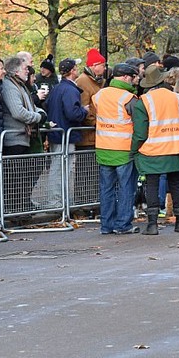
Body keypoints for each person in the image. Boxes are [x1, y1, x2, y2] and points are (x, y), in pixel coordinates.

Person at [133, 64, 179, 234]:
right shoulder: (177, 98)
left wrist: (134, 149)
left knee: (152, 185)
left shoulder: (144, 102)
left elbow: (140, 132)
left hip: (152, 150)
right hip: (174, 147)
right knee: (175, 183)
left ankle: (152, 224)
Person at [91, 63, 140, 235]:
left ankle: (106, 225)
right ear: (126, 77)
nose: (135, 81)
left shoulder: (99, 95)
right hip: (124, 150)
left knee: (106, 189)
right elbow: (139, 123)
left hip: (104, 148)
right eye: (134, 77)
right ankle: (123, 224)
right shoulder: (129, 98)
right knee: (126, 188)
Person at [1, 55, 46, 214]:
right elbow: (18, 112)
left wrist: (39, 114)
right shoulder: (10, 86)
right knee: (14, 180)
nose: (29, 70)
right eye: (25, 67)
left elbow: (32, 106)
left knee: (21, 178)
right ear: (16, 70)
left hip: (23, 138)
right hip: (14, 139)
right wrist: (38, 117)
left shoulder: (20, 85)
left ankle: (19, 210)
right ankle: (13, 211)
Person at [45, 58, 90, 209]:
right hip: (65, 135)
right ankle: (58, 203)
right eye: (76, 67)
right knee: (63, 170)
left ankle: (58, 202)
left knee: (57, 169)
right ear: (72, 71)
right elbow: (72, 113)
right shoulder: (70, 90)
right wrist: (84, 111)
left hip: (57, 134)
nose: (77, 69)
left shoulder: (57, 88)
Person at [74, 48, 106, 208]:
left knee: (93, 173)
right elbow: (85, 108)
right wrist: (95, 124)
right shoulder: (83, 81)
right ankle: (83, 205)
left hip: (96, 135)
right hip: (87, 136)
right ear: (95, 65)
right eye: (103, 64)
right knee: (85, 173)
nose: (105, 68)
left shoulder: (96, 81)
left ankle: (92, 203)